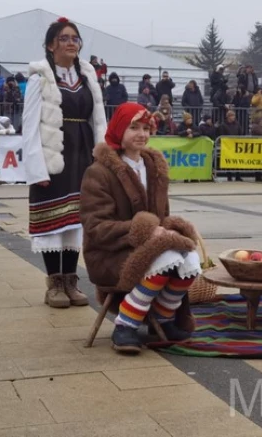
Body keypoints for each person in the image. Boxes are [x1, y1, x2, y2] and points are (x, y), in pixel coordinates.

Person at [80, 102, 202, 354]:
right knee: (167, 258)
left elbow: (163, 215)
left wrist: (169, 229)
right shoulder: (99, 172)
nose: (142, 134)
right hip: (111, 252)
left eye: (146, 128)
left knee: (190, 258)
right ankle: (125, 324)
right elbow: (96, 227)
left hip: (150, 245)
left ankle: (163, 317)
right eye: (134, 127)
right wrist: (146, 230)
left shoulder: (154, 166)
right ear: (118, 130)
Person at [22, 17, 108, 309]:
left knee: (76, 219)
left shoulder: (87, 77)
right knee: (52, 219)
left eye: (75, 38)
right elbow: (29, 126)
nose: (71, 43)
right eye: (64, 38)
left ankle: (71, 280)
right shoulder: (40, 78)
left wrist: (103, 156)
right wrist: (37, 168)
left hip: (83, 151)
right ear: (50, 45)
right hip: (53, 154)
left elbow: (99, 119)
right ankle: (54, 283)